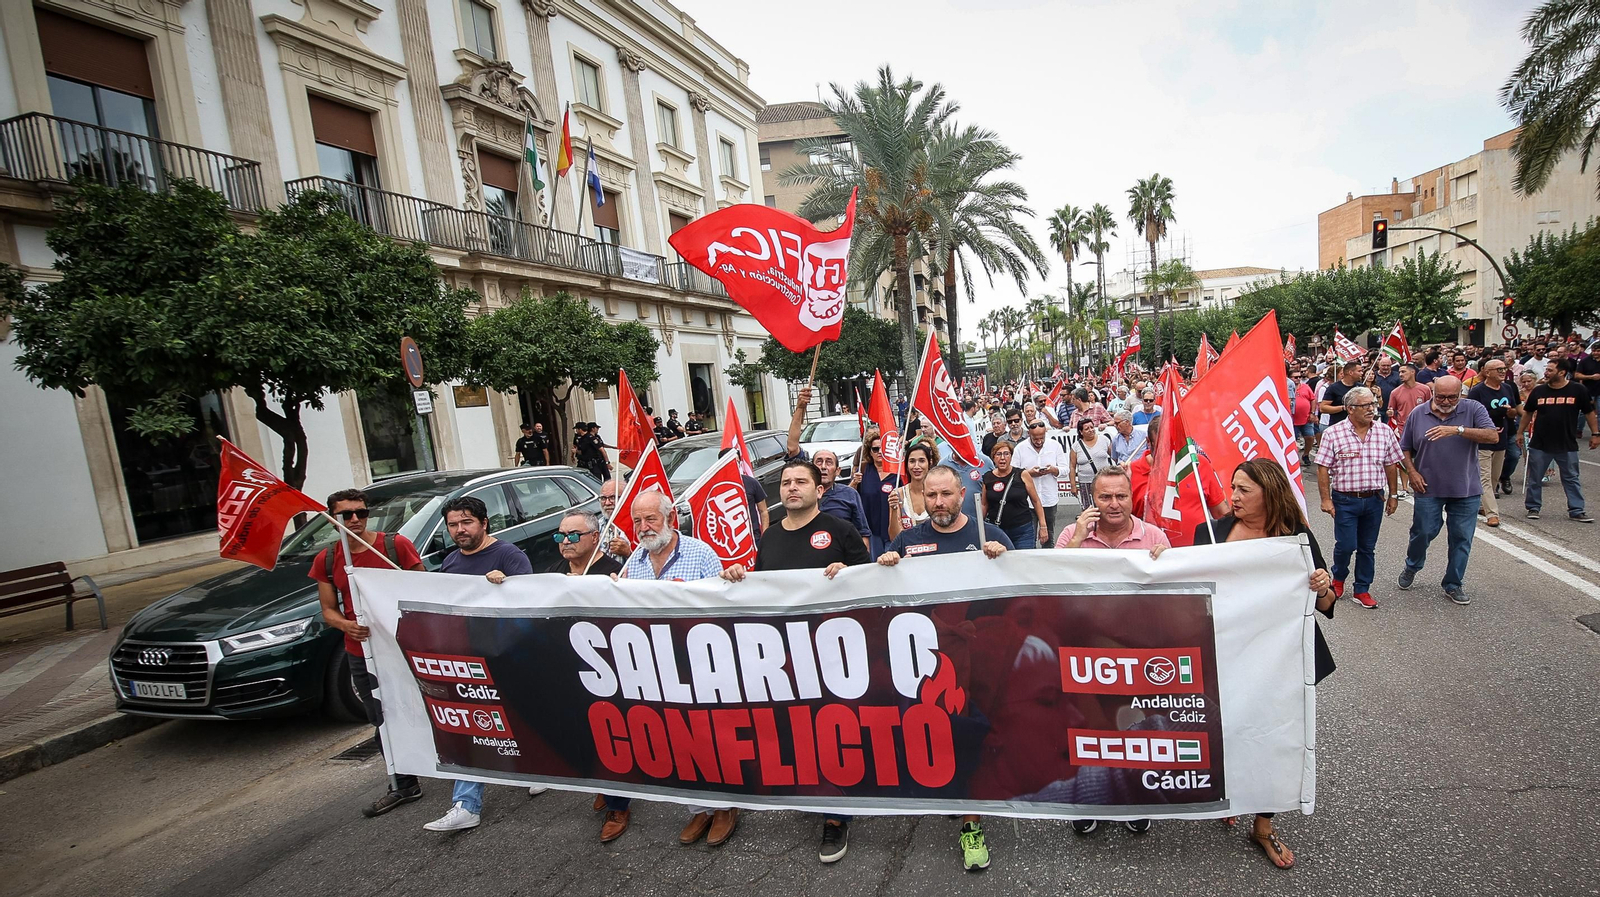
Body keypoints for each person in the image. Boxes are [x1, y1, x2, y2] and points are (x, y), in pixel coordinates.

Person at [719, 460, 870, 864]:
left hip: (834, 653)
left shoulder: (840, 531)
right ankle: (812, 789)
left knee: (833, 726)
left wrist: (850, 574)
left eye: (801, 481)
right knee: (800, 729)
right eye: (786, 482)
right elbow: (760, 588)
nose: (792, 488)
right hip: (785, 656)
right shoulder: (768, 538)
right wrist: (738, 577)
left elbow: (872, 584)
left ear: (819, 490)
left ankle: (837, 816)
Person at [1190, 458, 1338, 870]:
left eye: (1243, 490)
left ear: (1269, 493)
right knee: (1228, 730)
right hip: (1225, 655)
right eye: (1232, 488)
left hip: (1282, 660)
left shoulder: (1298, 538)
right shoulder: (1210, 534)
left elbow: (1326, 605)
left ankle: (1263, 826)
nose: (1232, 497)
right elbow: (1184, 593)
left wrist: (1323, 585)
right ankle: (1232, 793)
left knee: (1274, 737)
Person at [877, 465, 1013, 872]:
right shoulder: (910, 540)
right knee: (936, 740)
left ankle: (971, 822)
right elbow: (885, 598)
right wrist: (884, 565)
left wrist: (1007, 562)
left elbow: (1024, 600)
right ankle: (951, 796)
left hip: (978, 666)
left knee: (970, 739)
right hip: (925, 666)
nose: (938, 503)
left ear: (963, 494)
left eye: (946, 495)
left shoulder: (991, 536)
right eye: (931, 495)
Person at [613, 490, 731, 845]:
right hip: (655, 668)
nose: (644, 527)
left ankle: (725, 806)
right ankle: (698, 810)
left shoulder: (700, 553)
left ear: (670, 519)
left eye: (651, 518)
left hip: (698, 664)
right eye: (637, 521)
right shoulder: (634, 560)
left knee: (709, 736)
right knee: (674, 740)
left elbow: (721, 605)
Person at [310, 488, 427, 819]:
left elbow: (424, 591)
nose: (356, 520)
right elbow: (329, 611)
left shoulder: (395, 546)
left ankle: (460, 769)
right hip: (361, 652)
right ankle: (403, 783)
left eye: (361, 512)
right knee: (381, 717)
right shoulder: (328, 559)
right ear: (333, 520)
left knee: (431, 706)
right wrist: (346, 626)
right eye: (346, 515)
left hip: (404, 646)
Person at [423, 495, 536, 833]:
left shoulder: (508, 555)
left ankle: (536, 767)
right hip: (468, 658)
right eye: (453, 525)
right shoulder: (451, 563)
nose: (460, 530)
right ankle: (466, 804)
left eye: (466, 522)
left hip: (508, 655)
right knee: (469, 726)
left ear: (485, 523)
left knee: (521, 715)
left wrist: (507, 587)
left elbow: (532, 601)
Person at [1397, 376, 1499, 605]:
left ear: (1460, 394)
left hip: (1466, 488)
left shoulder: (1473, 408)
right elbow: (1404, 448)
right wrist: (1412, 473)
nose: (1446, 401)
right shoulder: (1418, 413)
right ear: (1433, 393)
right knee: (1422, 533)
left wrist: (1458, 430)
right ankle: (1412, 566)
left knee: (1461, 538)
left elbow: (1492, 435)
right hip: (1428, 487)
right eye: (1440, 396)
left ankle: (1453, 583)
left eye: (1452, 397)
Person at [1313, 386, 1401, 609]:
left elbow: (1391, 464)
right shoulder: (1333, 433)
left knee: (1367, 547)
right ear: (1350, 409)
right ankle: (1339, 577)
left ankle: (1362, 589)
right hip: (1345, 500)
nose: (1371, 409)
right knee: (1346, 545)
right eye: (1365, 406)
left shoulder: (1384, 432)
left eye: (1372, 404)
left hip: (1374, 500)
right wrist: (1326, 499)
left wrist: (1394, 494)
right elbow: (1322, 468)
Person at [1128, 414, 1229, 547]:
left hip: (1199, 555)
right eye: (1164, 446)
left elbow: (1221, 513)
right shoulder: (1132, 472)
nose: (1171, 453)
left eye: (1176, 445)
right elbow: (1124, 523)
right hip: (1152, 558)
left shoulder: (1197, 464)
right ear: (1149, 442)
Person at [1520, 356, 1600, 522]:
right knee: (1535, 478)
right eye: (1546, 369)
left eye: (1550, 370)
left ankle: (1577, 509)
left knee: (1571, 478)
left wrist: (1595, 433)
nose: (1546, 373)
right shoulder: (1539, 391)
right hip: (1540, 443)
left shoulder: (1578, 390)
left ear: (1562, 372)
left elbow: (1589, 413)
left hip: (1567, 443)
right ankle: (1533, 507)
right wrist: (1520, 432)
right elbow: (1527, 412)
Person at [1466, 358, 1521, 526]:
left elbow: (1513, 411)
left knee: (1494, 477)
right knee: (1484, 477)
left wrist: (1511, 413)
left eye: (1504, 369)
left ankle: (1482, 504)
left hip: (1501, 437)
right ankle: (1492, 514)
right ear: (1487, 372)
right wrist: (1494, 416)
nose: (1503, 372)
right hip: (1483, 439)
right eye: (1498, 369)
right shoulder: (1477, 391)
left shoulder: (1507, 388)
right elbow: (1472, 415)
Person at [982, 439, 1048, 549]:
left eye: (1006, 454)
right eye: (998, 454)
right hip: (998, 530)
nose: (1002, 458)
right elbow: (984, 505)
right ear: (993, 458)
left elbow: (1036, 501)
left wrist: (1043, 525)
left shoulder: (1022, 474)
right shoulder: (988, 477)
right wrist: (980, 527)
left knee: (1024, 562)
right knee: (1000, 562)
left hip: (1022, 529)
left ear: (1011, 457)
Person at [1010, 420, 1063, 544]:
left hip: (1049, 499)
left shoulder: (1055, 446)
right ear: (1029, 434)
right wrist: (1029, 474)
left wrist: (1053, 470)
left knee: (1048, 537)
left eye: (1042, 438)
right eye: (1035, 439)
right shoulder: (1020, 448)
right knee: (1029, 538)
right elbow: (1013, 473)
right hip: (1027, 502)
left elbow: (1065, 469)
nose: (1039, 441)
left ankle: (1048, 562)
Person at [851, 429, 901, 556]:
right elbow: (850, 496)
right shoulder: (863, 470)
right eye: (875, 449)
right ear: (869, 452)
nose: (879, 452)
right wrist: (854, 482)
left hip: (893, 529)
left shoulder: (899, 471)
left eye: (883, 448)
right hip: (871, 532)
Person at [812, 448, 870, 551]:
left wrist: (863, 564)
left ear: (837, 471)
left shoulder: (849, 494)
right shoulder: (802, 494)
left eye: (829, 462)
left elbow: (863, 534)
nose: (823, 467)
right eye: (819, 462)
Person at [547, 510, 622, 576]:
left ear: (595, 537)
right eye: (560, 536)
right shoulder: (554, 573)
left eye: (573, 536)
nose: (565, 541)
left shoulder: (614, 574)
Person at [887, 440, 936, 541]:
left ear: (929, 463)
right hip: (908, 553)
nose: (916, 466)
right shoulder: (898, 494)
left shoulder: (938, 493)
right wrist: (894, 509)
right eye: (912, 461)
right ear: (906, 464)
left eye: (922, 461)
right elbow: (894, 538)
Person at [1068, 418, 1112, 509]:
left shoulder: (1104, 440)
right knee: (1089, 508)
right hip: (1085, 482)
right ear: (1081, 432)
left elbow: (1114, 457)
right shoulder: (1076, 446)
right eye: (1087, 428)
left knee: (1106, 506)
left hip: (1104, 480)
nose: (1091, 430)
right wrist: (1073, 485)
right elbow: (1072, 466)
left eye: (1092, 427)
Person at [1318, 360, 1362, 429]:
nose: (1362, 373)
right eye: (1359, 371)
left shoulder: (1361, 387)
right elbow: (1323, 408)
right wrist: (1343, 408)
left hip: (1358, 426)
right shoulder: (1333, 388)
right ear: (1350, 372)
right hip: (1338, 427)